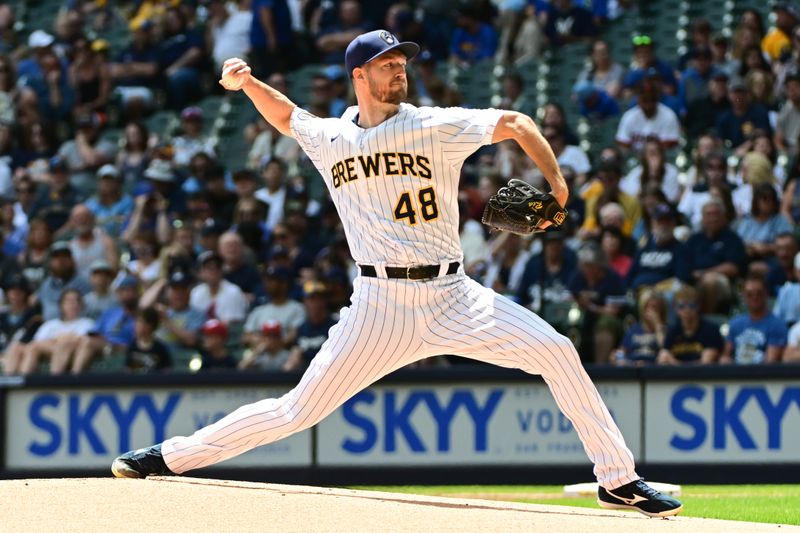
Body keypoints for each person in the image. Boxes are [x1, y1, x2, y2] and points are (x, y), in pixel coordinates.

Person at [112, 29, 682, 517]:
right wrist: (246, 84)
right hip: (379, 306)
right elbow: (289, 117)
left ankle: (617, 479)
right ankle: (168, 456)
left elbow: (516, 120)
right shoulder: (332, 136)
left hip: (454, 294)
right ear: (359, 75)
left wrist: (557, 185)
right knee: (296, 410)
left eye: (403, 63)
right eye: (387, 65)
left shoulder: (433, 125)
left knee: (557, 350)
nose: (399, 71)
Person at [722, 275, 787, 364]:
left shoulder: (777, 325)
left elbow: (771, 361)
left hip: (761, 375)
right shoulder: (735, 323)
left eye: (759, 293)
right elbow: (725, 355)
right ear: (743, 297)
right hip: (736, 374)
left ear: (766, 294)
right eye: (749, 294)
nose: (754, 297)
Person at [658, 285, 723, 365]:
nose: (687, 310)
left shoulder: (711, 329)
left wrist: (676, 363)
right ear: (675, 308)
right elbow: (664, 356)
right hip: (676, 376)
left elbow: (706, 363)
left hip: (704, 376)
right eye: (681, 306)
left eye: (691, 305)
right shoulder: (672, 330)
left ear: (698, 306)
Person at [125, 307, 172, 373]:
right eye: (137, 321)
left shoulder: (161, 348)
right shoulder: (132, 346)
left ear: (151, 325)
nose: (137, 325)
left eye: (141, 322)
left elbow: (167, 370)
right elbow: (127, 369)